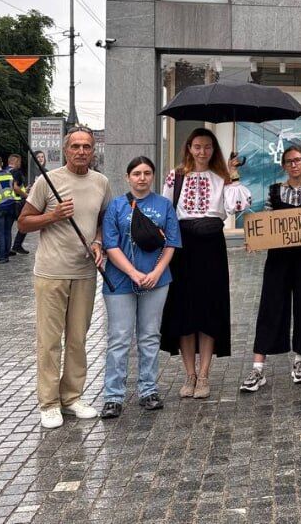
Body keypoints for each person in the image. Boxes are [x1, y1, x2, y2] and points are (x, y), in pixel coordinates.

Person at [16, 126, 111, 429]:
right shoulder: (48, 182)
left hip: (84, 272)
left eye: (87, 146)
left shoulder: (101, 182)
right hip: (51, 272)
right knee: (49, 340)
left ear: (93, 150)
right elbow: (24, 223)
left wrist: (98, 243)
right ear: (66, 149)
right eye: (76, 146)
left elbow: (103, 221)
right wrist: (52, 216)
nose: (82, 151)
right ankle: (48, 402)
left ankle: (71, 397)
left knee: (77, 339)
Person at [161, 128, 251, 400]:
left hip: (211, 246)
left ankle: (204, 374)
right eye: (197, 146)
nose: (202, 151)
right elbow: (166, 211)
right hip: (183, 246)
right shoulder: (175, 176)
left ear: (214, 150)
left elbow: (239, 205)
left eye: (208, 147)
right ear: (189, 147)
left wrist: (232, 173)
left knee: (209, 310)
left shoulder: (222, 178)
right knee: (185, 312)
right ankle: (189, 374)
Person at [99, 156, 181, 419]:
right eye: (136, 173)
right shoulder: (115, 207)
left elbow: (171, 243)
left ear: (153, 176)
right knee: (119, 338)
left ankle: (149, 389)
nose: (142, 178)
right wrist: (133, 272)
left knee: (149, 336)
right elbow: (110, 245)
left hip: (157, 280)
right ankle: (113, 395)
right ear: (127, 177)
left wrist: (156, 272)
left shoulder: (164, 205)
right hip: (121, 281)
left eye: (147, 173)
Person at [241, 146, 301, 393]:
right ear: (284, 166)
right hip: (277, 259)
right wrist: (254, 239)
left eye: (298, 160)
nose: (294, 164)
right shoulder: (274, 191)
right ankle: (258, 367)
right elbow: (266, 224)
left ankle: (299, 362)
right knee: (270, 306)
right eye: (289, 161)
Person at [8, 154, 30, 255]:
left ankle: (7, 248)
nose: (20, 164)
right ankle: (17, 245)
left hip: (7, 202)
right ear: (16, 162)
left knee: (7, 227)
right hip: (18, 202)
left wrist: (25, 189)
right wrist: (27, 195)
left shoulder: (4, 172)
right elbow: (16, 188)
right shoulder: (16, 172)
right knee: (25, 223)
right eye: (19, 162)